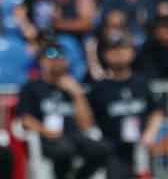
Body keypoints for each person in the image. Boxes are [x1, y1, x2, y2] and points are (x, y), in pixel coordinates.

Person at [16, 42, 108, 179]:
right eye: (51, 57)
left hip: (74, 136)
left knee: (102, 149)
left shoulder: (73, 87)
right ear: (41, 61)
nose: (57, 61)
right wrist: (45, 131)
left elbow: (86, 125)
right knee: (64, 150)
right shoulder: (32, 87)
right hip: (47, 138)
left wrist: (77, 94)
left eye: (61, 57)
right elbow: (26, 119)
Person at [87, 33, 164, 179]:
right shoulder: (99, 88)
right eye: (113, 50)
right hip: (114, 150)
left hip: (142, 148)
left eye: (123, 49)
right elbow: (88, 120)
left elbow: (157, 110)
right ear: (105, 55)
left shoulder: (142, 83)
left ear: (132, 53)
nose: (118, 54)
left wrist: (150, 133)